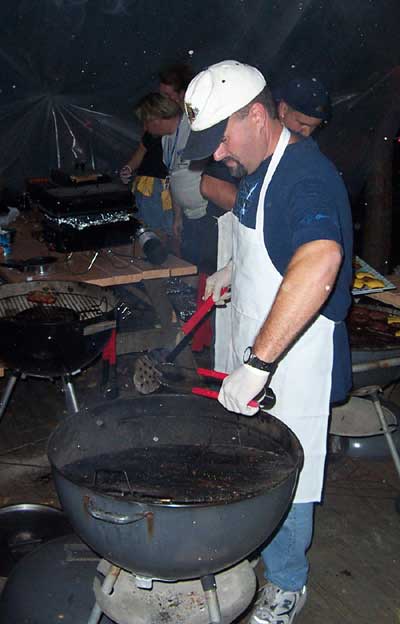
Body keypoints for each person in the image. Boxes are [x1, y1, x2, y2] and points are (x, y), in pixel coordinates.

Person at [183, 60, 353, 624]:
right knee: (253, 461)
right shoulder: (258, 167)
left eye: (223, 139)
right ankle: (258, 549)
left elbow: (320, 257)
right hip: (260, 339)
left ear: (257, 114)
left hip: (292, 359)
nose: (220, 155)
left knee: (289, 471)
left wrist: (258, 363)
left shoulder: (306, 174)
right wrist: (233, 270)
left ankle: (287, 584)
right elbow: (270, 241)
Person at [134, 91, 211, 269]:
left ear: (156, 119)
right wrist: (177, 217)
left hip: (207, 214)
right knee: (191, 261)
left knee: (206, 265)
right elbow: (174, 178)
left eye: (146, 122)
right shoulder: (166, 140)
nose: (145, 128)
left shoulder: (192, 129)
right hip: (188, 214)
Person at [119, 63, 194, 236]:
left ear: (181, 94)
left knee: (165, 234)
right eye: (161, 94)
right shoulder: (158, 126)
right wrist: (129, 167)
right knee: (146, 229)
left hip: (168, 191)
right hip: (149, 184)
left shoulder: (190, 124)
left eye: (168, 95)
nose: (164, 99)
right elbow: (143, 148)